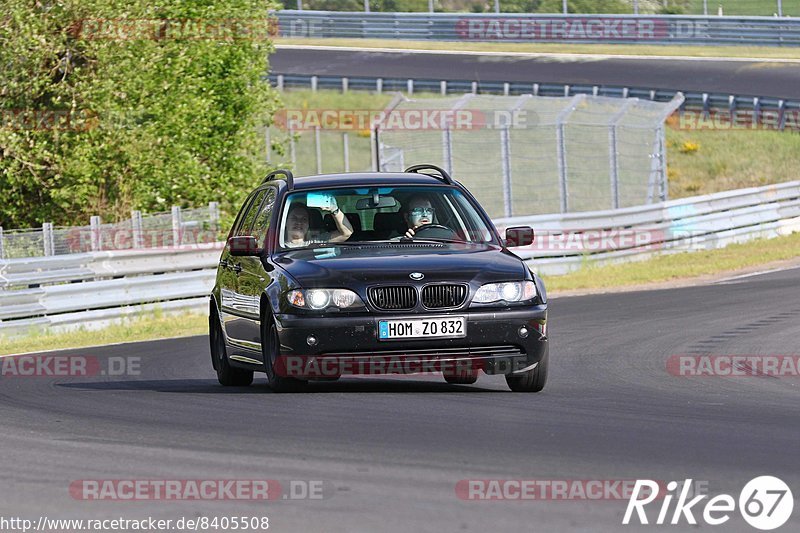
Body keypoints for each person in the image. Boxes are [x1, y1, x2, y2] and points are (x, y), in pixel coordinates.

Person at [284, 199, 353, 248]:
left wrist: (335, 210)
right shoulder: (276, 246)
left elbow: (346, 233)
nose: (299, 222)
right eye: (294, 218)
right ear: (285, 222)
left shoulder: (316, 242)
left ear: (308, 224)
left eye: (304, 219)